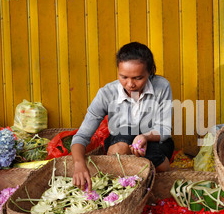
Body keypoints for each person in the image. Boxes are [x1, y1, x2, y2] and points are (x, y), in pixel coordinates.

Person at [71, 42, 174, 192]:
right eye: (124, 77)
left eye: (138, 78)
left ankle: (148, 167)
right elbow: (82, 136)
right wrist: (79, 164)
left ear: (150, 72)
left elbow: (164, 129)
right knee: (120, 145)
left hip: (154, 141)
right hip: (120, 142)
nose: (130, 84)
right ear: (118, 71)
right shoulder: (107, 93)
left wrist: (144, 137)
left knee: (162, 168)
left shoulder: (161, 86)